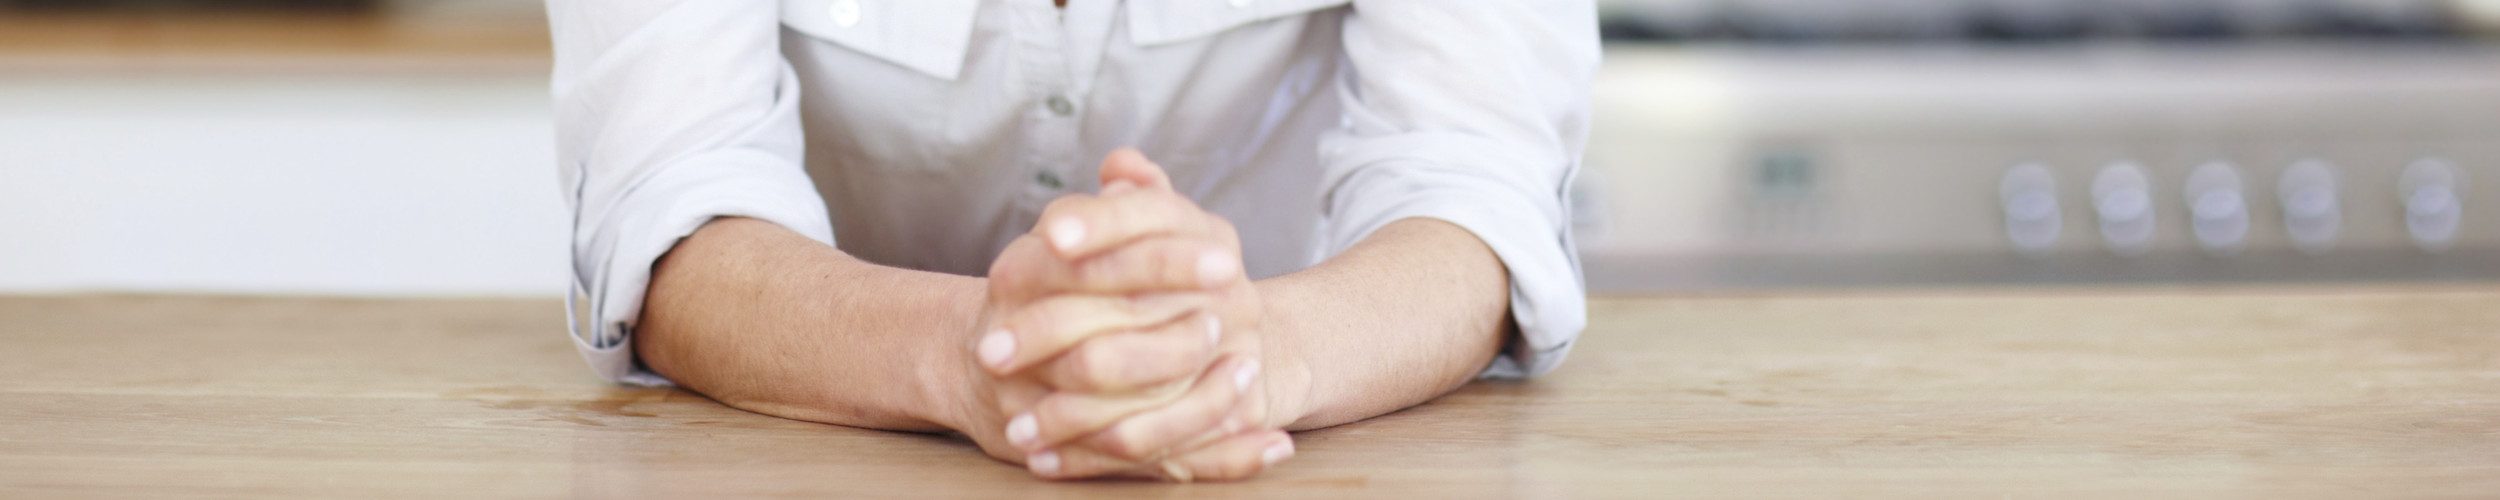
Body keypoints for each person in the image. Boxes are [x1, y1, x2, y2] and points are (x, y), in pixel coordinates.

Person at [548, 0, 1594, 482]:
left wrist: (1258, 356)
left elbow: (1472, 191)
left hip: (1278, 451)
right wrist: (961, 352)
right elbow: (672, 199)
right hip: (822, 452)